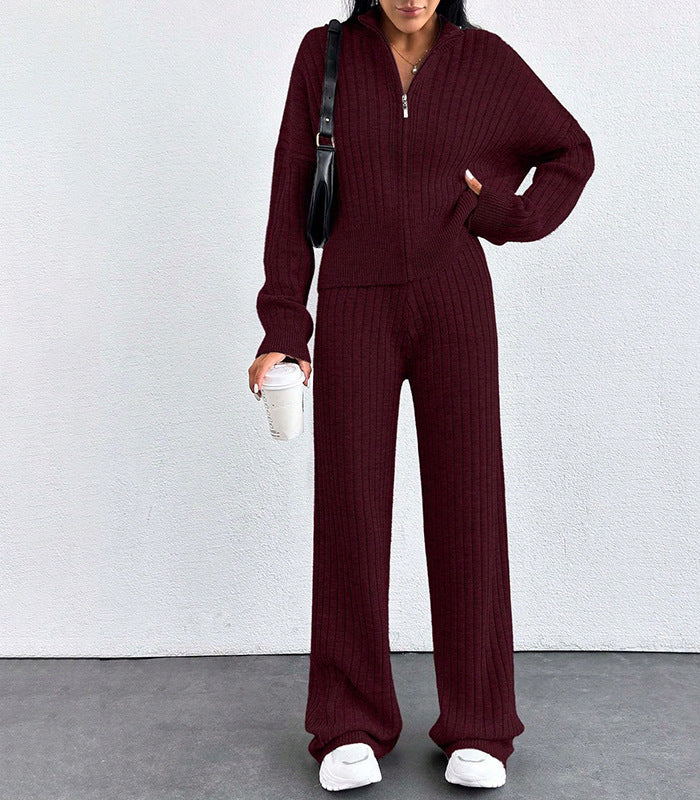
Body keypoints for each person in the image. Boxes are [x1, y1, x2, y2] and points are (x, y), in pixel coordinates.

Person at [247, 0, 594, 790]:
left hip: (455, 301)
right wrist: (284, 326)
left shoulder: (485, 59)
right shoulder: (324, 56)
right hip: (356, 302)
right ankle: (348, 722)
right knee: (351, 508)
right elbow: (291, 193)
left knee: (470, 507)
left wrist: (504, 214)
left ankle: (480, 725)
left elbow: (571, 150)